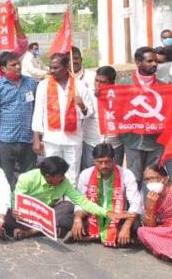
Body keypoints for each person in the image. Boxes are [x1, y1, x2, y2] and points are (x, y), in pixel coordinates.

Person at [5, 156, 121, 241]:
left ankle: (29, 232)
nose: (63, 178)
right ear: (48, 177)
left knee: (67, 206)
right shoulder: (27, 178)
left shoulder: (64, 183)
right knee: (1, 211)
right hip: (24, 217)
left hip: (46, 217)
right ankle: (45, 230)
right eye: (60, 176)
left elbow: (82, 201)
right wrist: (14, 209)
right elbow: (16, 198)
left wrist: (106, 213)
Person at [32, 53, 91, 183]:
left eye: (56, 68)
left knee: (72, 174)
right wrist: (36, 138)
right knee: (51, 173)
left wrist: (81, 105)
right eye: (50, 67)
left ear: (66, 66)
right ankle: (54, 201)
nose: (52, 71)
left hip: (73, 140)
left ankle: (70, 203)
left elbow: (89, 112)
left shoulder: (79, 85)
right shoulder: (43, 85)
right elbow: (38, 113)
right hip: (51, 139)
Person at [70, 143, 142, 247]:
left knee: (136, 226)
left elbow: (135, 203)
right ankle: (112, 237)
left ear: (113, 160)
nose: (104, 166)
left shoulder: (126, 174)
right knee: (67, 220)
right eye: (100, 162)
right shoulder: (86, 174)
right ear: (94, 161)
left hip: (118, 217)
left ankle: (93, 236)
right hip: (93, 215)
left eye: (107, 162)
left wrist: (126, 227)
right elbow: (81, 202)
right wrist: (77, 219)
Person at [0, 52, 39, 186]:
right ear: (3, 69)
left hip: (28, 139)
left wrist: (38, 137)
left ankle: (26, 204)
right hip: (6, 141)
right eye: (13, 65)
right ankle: (8, 205)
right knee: (5, 179)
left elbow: (38, 111)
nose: (18, 67)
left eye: (18, 64)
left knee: (29, 178)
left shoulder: (31, 84)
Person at [120, 47, 164, 185]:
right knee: (134, 179)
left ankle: (150, 206)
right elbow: (115, 107)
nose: (154, 64)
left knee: (153, 179)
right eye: (150, 61)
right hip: (133, 140)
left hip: (156, 142)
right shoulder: (124, 84)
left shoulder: (165, 87)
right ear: (138, 63)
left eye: (156, 61)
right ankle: (134, 206)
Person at [81, 66, 124, 168]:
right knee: (89, 176)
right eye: (96, 80)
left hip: (115, 144)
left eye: (103, 82)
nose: (98, 84)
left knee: (115, 176)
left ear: (112, 83)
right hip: (91, 142)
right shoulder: (86, 94)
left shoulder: (121, 95)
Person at [137, 163, 172, 260]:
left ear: (164, 179)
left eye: (152, 178)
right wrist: (150, 209)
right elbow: (150, 226)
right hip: (165, 231)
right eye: (146, 180)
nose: (149, 182)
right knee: (142, 231)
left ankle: (164, 250)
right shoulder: (151, 196)